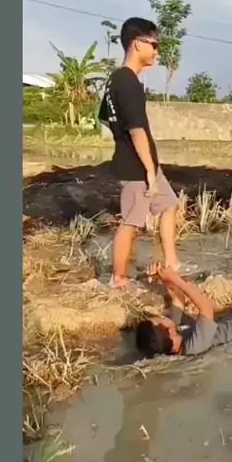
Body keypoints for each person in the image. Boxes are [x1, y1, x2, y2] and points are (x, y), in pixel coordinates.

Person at [99, 17, 192, 290]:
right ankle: (118, 278)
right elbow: (137, 130)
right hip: (136, 168)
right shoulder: (128, 82)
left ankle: (172, 262)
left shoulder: (115, 80)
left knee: (169, 204)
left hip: (141, 162)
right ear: (137, 44)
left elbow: (106, 117)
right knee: (131, 222)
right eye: (154, 44)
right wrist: (149, 172)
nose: (156, 51)